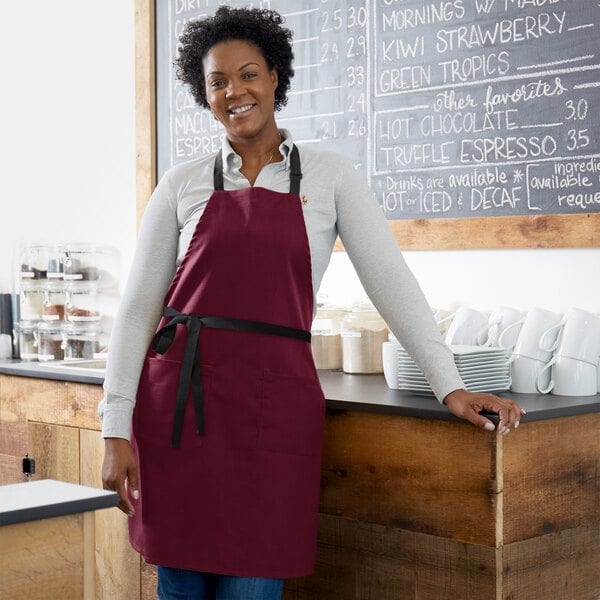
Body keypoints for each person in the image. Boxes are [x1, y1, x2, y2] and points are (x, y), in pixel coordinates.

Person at [99, 6, 525, 600]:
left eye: (246, 74)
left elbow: (391, 283)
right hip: (178, 412)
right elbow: (138, 311)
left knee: (252, 586)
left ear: (275, 75)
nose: (233, 92)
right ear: (206, 95)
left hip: (273, 412)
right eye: (217, 82)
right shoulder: (181, 183)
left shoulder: (330, 177)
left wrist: (449, 384)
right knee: (181, 585)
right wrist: (114, 427)